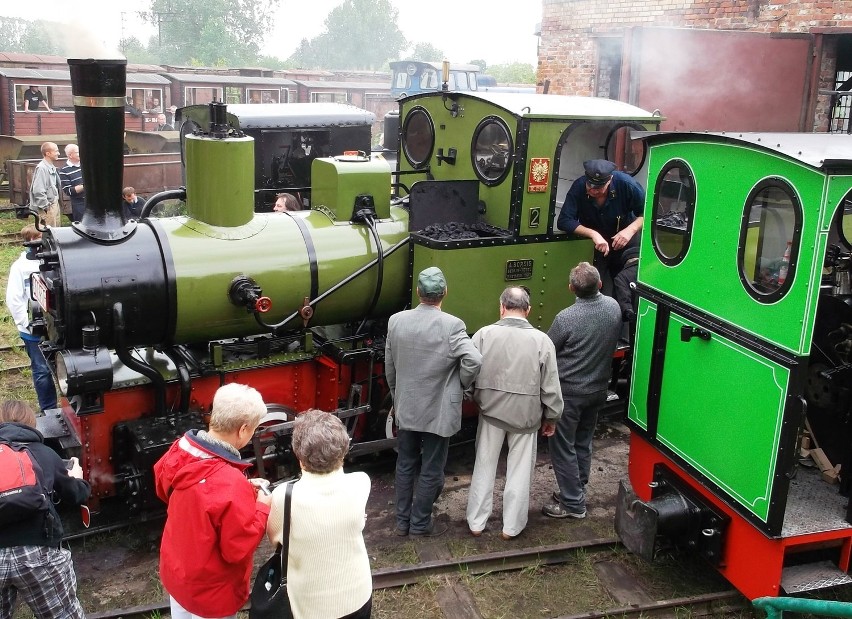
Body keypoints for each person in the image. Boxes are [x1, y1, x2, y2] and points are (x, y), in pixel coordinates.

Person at [154, 383, 273, 619]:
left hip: (178, 575)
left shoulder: (178, 450)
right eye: (254, 430)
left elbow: (166, 488)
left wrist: (242, 492)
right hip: (211, 591)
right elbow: (236, 549)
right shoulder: (230, 481)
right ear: (242, 430)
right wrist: (262, 507)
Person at [385, 266, 482, 537]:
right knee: (432, 467)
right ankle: (420, 524)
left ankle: (402, 523)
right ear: (444, 293)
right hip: (440, 409)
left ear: (418, 292)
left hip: (407, 405)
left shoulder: (396, 321)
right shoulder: (452, 325)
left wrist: (397, 396)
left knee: (405, 464)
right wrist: (460, 384)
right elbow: (474, 360)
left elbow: (390, 366)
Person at [466, 287, 563, 540]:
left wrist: (475, 396)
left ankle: (476, 522)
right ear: (528, 310)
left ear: (501, 307)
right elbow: (550, 387)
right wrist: (551, 417)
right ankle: (511, 527)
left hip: (490, 413)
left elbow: (468, 372)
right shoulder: (543, 341)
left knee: (484, 465)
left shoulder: (483, 335)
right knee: (520, 471)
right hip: (527, 417)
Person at [267, 410, 372, 619]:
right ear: (342, 452)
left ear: (299, 456)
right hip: (357, 594)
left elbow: (276, 540)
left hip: (310, 605)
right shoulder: (361, 482)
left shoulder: (283, 496)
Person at [542, 262, 622, 519]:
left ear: (571, 288)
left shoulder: (565, 318)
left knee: (562, 447)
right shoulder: (613, 306)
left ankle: (573, 503)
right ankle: (577, 487)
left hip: (570, 393)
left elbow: (547, 348)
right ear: (600, 284)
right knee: (583, 442)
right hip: (598, 389)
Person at [0, 399, 90, 619]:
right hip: (38, 552)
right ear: (32, 423)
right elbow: (75, 495)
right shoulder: (44, 453)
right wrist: (77, 479)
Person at [556, 159, 644, 294]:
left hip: (625, 242)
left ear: (610, 181)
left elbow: (648, 213)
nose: (592, 190)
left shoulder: (627, 185)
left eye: (598, 187)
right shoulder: (579, 186)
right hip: (597, 246)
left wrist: (629, 231)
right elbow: (564, 220)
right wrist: (593, 234)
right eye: (589, 185)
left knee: (625, 287)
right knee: (592, 288)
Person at [5, 225, 58, 413]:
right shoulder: (19, 268)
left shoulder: (55, 261)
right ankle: (49, 408)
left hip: (56, 324)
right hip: (33, 328)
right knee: (42, 370)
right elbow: (14, 298)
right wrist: (26, 324)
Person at [28, 142, 61, 227]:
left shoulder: (50, 166)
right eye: (56, 151)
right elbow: (38, 190)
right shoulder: (42, 168)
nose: (59, 153)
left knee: (56, 230)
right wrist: (46, 206)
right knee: (50, 233)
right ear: (48, 153)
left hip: (53, 203)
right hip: (48, 206)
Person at [59, 143, 85, 222]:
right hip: (79, 204)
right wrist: (86, 186)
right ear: (70, 155)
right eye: (77, 152)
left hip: (93, 202)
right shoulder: (64, 171)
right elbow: (68, 191)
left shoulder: (85, 165)